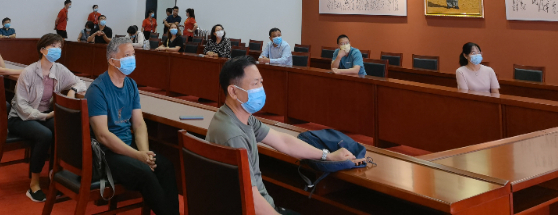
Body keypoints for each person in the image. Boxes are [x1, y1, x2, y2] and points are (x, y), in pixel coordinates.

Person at [206, 57, 356, 215]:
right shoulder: (232, 135)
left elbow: (283, 141)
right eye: (255, 84)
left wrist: (327, 156)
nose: (261, 88)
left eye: (261, 82)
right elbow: (250, 199)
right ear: (233, 91)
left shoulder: (239, 117)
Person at [87, 37, 180, 215]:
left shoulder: (130, 85)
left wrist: (145, 154)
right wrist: (137, 156)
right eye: (127, 55)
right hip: (108, 153)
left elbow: (139, 123)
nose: (132, 59)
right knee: (145, 174)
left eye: (133, 54)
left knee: (166, 166)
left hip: (129, 146)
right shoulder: (97, 90)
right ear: (112, 60)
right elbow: (102, 135)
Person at [8, 33, 86, 202]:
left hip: (44, 115)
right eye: (53, 46)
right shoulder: (28, 72)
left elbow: (80, 82)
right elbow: (21, 106)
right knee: (45, 135)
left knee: (63, 129)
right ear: (42, 50)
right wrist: (45, 116)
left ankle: (55, 176)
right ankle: (34, 184)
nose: (57, 50)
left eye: (59, 47)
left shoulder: (59, 69)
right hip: (21, 117)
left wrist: (72, 90)